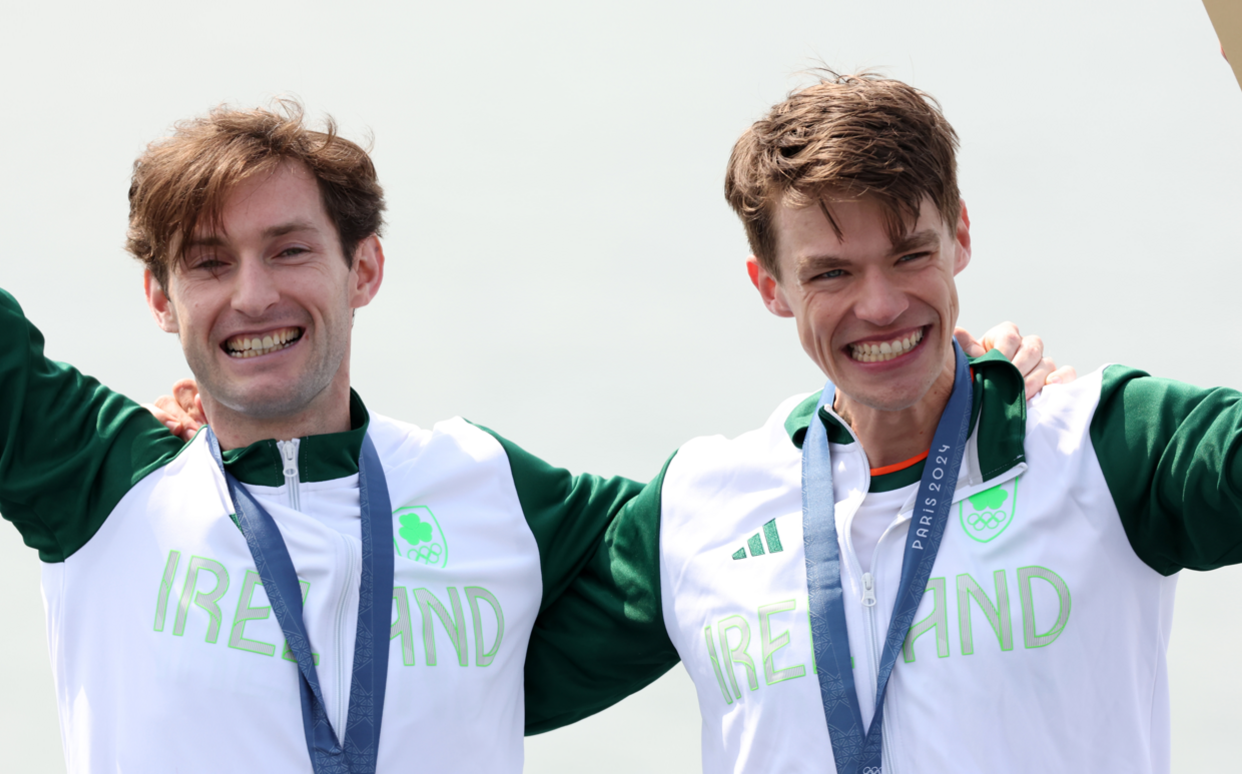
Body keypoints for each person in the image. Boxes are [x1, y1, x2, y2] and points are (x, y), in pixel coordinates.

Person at [0, 99, 1057, 771]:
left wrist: (945, 382)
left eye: (289, 249)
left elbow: (746, 515)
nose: (253, 296)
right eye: (208, 265)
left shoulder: (486, 491)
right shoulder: (96, 483)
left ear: (362, 268)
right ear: (158, 302)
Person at [519, 72, 1242, 773]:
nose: (881, 306)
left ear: (959, 234)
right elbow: (456, 679)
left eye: (910, 255)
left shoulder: (1108, 447)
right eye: (831, 274)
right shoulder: (699, 507)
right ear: (771, 286)